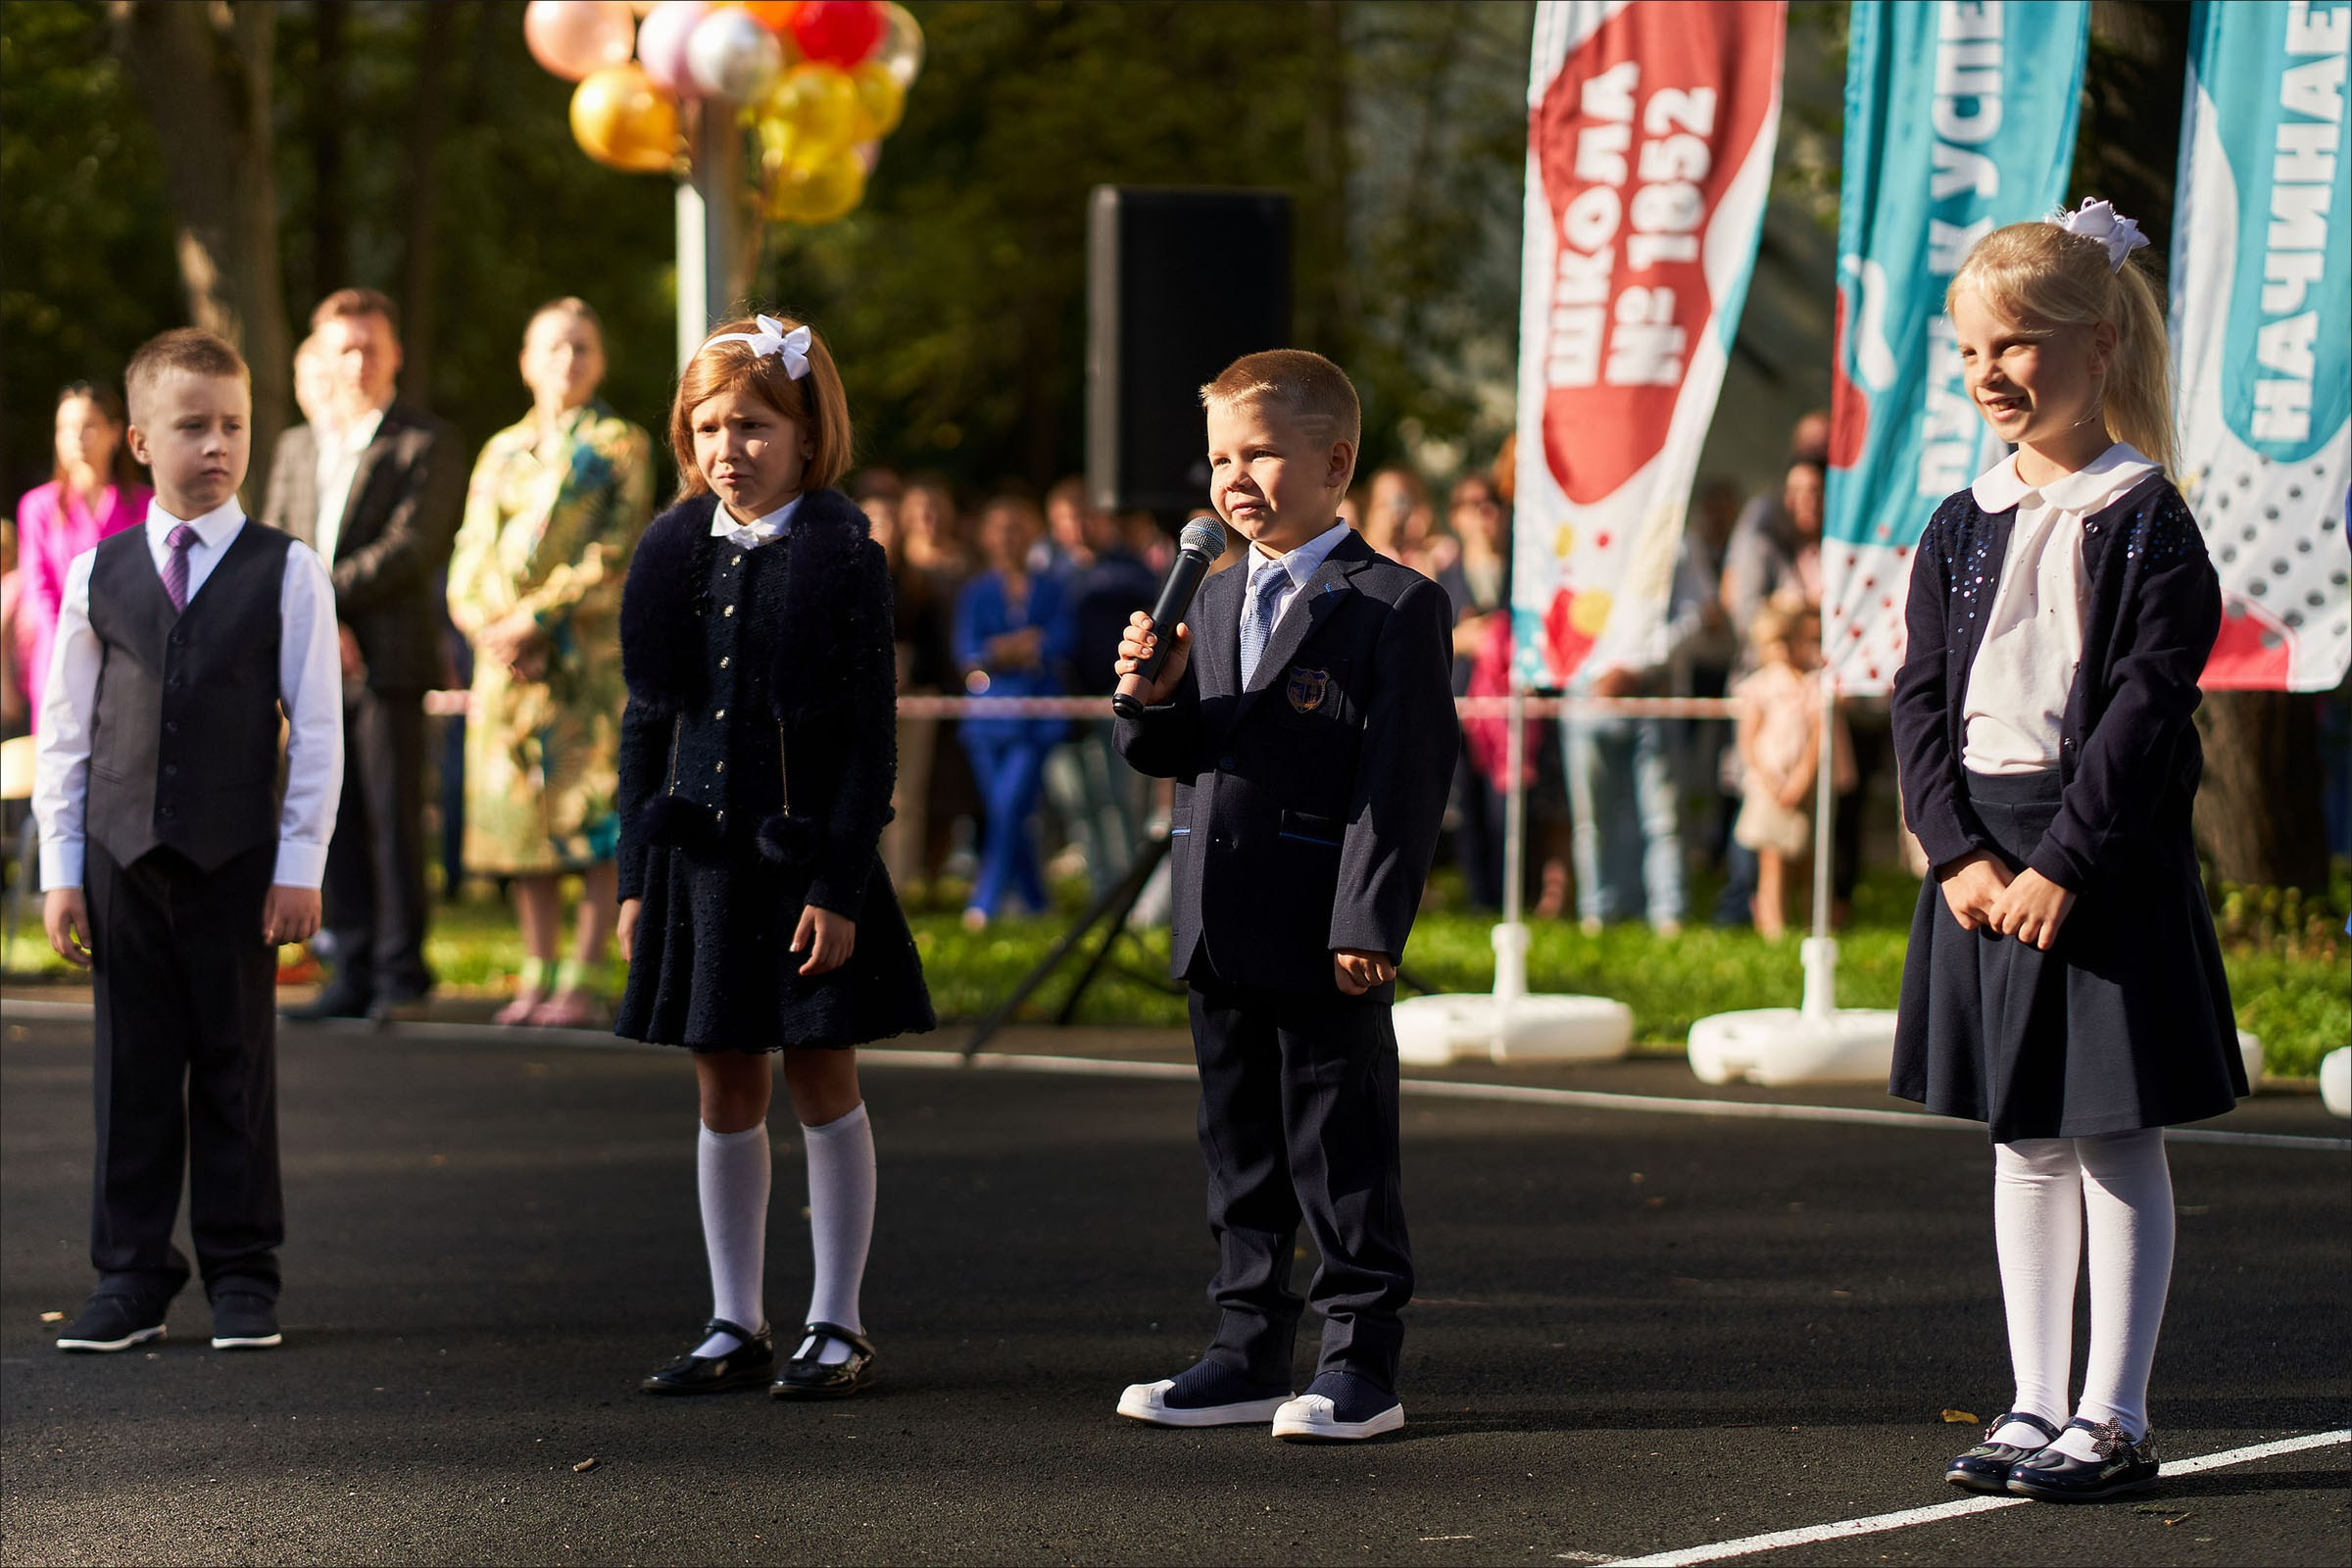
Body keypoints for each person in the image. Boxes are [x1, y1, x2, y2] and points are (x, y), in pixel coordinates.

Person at [1892, 205, 2244, 1502]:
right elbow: (1917, 701)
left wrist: (2063, 867)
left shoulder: (2151, 520)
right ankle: (2038, 1401)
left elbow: (2147, 716)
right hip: (1986, 865)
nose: (1992, 373)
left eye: (2020, 345)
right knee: (2022, 1140)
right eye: (1973, 351)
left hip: (2095, 864)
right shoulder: (1959, 519)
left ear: (2099, 346)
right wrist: (1954, 853)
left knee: (2111, 1133)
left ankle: (2118, 1413)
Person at [1111, 349, 1456, 1442]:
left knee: (1338, 1147)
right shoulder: (1208, 600)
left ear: (1336, 461)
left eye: (1261, 451)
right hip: (1218, 913)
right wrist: (1150, 701)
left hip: (1321, 922)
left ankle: (1360, 1361)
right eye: (1221, 457)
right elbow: (1178, 749)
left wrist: (1368, 918)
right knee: (1241, 1148)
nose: (1236, 477)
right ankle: (1245, 1347)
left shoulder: (1394, 604)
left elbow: (1399, 781)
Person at [615, 312, 934, 1400]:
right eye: (707, 427)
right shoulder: (669, 550)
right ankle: (732, 1319)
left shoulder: (845, 554)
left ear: (809, 433)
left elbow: (870, 741)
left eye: (753, 426)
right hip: (698, 865)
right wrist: (629, 875)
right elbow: (646, 722)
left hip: (805, 866)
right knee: (721, 1080)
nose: (727, 449)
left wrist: (839, 884)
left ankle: (836, 1321)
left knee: (820, 1072)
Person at [34, 328, 342, 1354]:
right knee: (131, 1073)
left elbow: (320, 733)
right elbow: (66, 730)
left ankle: (244, 1271)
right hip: (122, 863)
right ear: (137, 439)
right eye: (193, 425)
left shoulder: (286, 570)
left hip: (238, 866)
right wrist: (61, 869)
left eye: (234, 426)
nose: (218, 445)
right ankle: (129, 1273)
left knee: (233, 1063)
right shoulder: (95, 573)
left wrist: (301, 865)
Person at [446, 299, 654, 1026]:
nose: (569, 359)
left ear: (600, 361)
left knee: (591, 815)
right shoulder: (500, 450)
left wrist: (539, 617)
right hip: (506, 667)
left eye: (583, 347)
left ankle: (581, 976)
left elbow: (617, 550)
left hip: (580, 663)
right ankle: (534, 971)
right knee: (520, 824)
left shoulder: (620, 442)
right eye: (555, 347)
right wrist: (490, 627)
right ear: (527, 361)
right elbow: (470, 549)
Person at [264, 288, 466, 1022]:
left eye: (371, 347)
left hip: (388, 660)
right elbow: (275, 537)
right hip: (311, 663)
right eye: (343, 348)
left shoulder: (426, 441)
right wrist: (313, 617)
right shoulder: (295, 444)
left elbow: (413, 548)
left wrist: (325, 600)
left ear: (395, 356)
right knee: (328, 812)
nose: (357, 362)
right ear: (322, 355)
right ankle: (347, 966)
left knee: (390, 812)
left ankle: (400, 971)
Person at [953, 496, 1072, 928]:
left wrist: (1003, 650)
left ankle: (985, 901)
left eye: (1018, 527)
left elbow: (1060, 641)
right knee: (1008, 812)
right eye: (1001, 528)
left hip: (1035, 720)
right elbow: (968, 652)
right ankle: (1038, 903)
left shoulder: (1054, 586)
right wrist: (1019, 646)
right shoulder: (976, 591)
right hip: (986, 722)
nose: (1009, 537)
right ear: (986, 537)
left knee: (1009, 805)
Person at [18, 383, 151, 737]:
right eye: (65, 428)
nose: (77, 438)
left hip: (129, 659)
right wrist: (77, 638)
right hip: (59, 660)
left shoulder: (146, 506)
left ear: (114, 433)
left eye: (88, 426)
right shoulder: (39, 508)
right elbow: (39, 588)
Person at [1730, 600, 1852, 940]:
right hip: (1769, 785)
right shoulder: (1758, 686)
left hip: (1806, 784)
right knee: (1771, 861)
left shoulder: (1814, 684)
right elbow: (1748, 740)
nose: (1782, 649)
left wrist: (1800, 779)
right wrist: (1770, 780)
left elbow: (1818, 736)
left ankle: (1814, 927)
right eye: (1774, 642)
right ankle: (1773, 930)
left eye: (1788, 639)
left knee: (1809, 860)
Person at [1434, 472, 1513, 909]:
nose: (1483, 513)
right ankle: (1479, 900)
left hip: (1508, 711)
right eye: (1470, 503)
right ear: (1455, 516)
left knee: (1506, 809)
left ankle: (1506, 897)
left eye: (1490, 503)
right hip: (1462, 703)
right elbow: (1427, 638)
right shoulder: (1443, 575)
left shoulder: (1523, 572)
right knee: (1468, 806)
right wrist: (1460, 639)